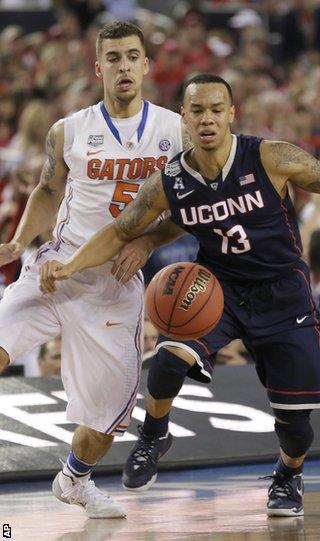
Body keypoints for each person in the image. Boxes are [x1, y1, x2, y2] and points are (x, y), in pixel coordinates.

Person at [39, 73, 320, 518]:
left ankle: (288, 474)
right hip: (219, 288)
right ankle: (155, 433)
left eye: (215, 109)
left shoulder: (271, 157)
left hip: (284, 294)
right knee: (168, 360)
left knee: (296, 426)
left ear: (231, 114)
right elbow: (120, 230)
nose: (206, 119)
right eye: (196, 111)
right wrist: (71, 265)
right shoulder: (169, 181)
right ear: (183, 119)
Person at [0, 21, 187, 519]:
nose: (123, 66)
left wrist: (148, 239)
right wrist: (20, 242)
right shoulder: (68, 130)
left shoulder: (176, 131)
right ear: (97, 67)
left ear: (147, 65)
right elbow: (46, 191)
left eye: (132, 56)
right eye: (113, 58)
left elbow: (190, 207)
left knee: (105, 423)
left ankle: (75, 479)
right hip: (56, 269)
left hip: (115, 285)